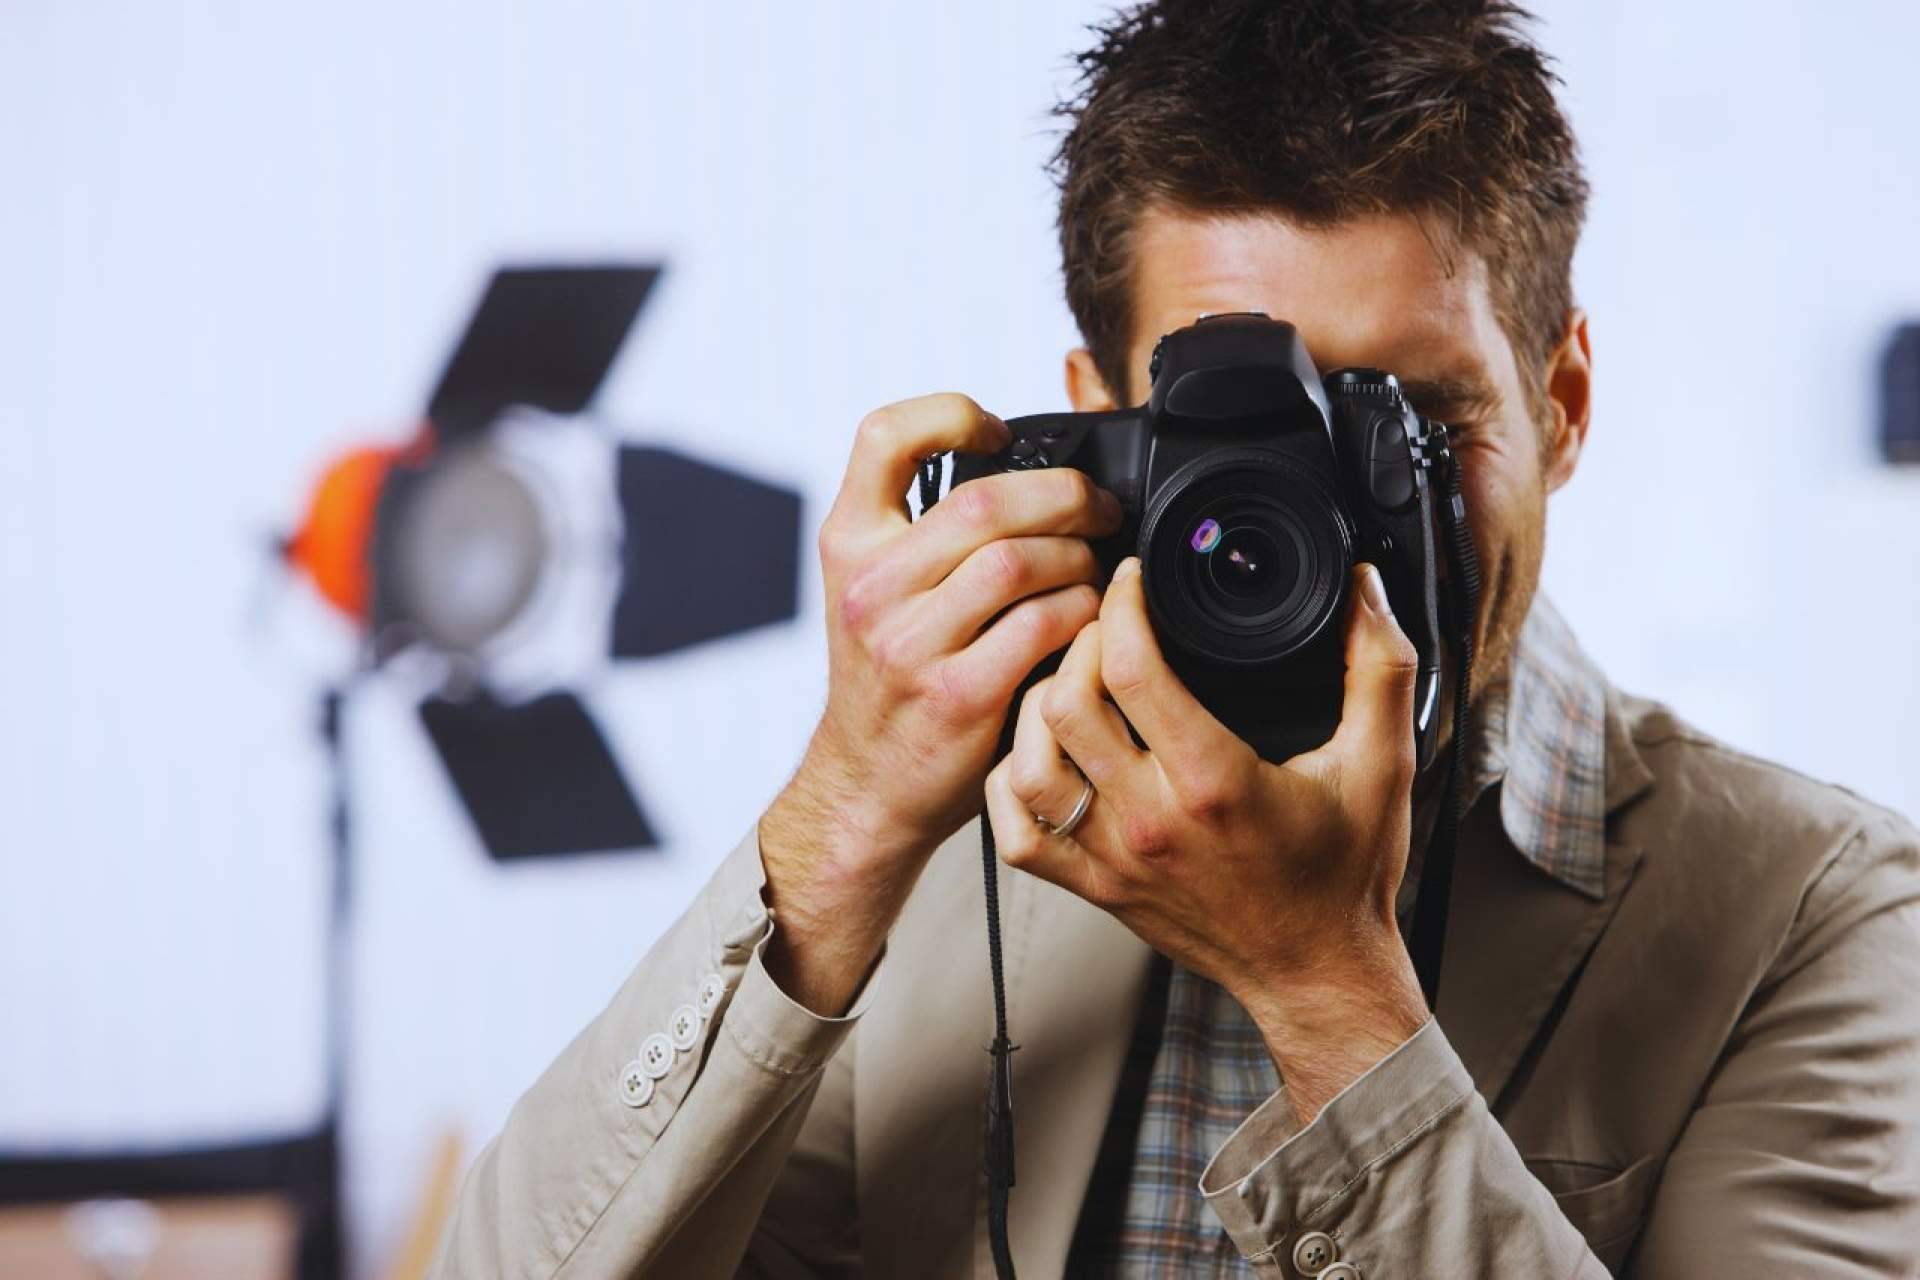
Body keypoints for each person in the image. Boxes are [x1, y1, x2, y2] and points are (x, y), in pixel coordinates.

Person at [430, 1, 1920, 1275]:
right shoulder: (947, 850)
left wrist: (1329, 994)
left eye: (1409, 428)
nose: (1338, 528)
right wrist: (841, 819)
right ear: (1103, 422)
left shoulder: (1810, 913)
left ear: (1563, 404)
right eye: (1242, 439)